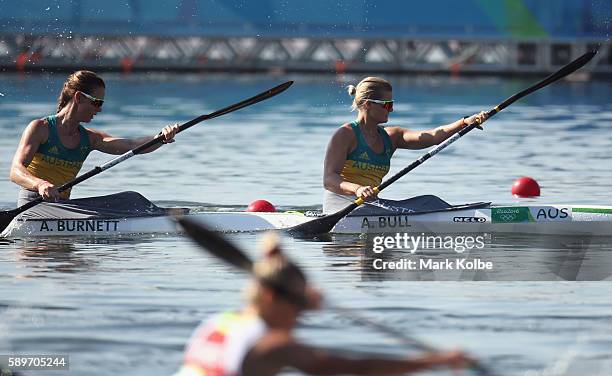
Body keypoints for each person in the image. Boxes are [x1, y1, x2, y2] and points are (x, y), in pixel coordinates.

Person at [175, 233, 473, 376]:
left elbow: (270, 280)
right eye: (298, 305)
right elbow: (355, 367)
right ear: (271, 298)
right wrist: (437, 361)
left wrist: (280, 266)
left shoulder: (219, 322)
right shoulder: (273, 345)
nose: (302, 315)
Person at [9, 70, 179, 206]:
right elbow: (16, 171)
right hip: (32, 206)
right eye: (97, 102)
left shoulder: (90, 139)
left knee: (129, 199)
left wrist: (161, 138)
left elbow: (132, 145)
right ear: (79, 98)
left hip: (62, 207)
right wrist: (40, 185)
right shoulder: (41, 128)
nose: (99, 109)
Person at [323, 76, 488, 213]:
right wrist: (358, 189)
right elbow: (329, 179)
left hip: (371, 206)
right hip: (341, 205)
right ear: (368, 104)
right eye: (387, 105)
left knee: (430, 202)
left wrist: (465, 122)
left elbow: (432, 136)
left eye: (391, 104)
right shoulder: (345, 134)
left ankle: (462, 217)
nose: (391, 110)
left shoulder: (392, 136)